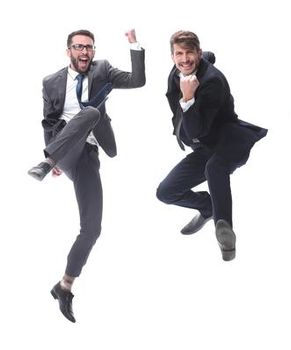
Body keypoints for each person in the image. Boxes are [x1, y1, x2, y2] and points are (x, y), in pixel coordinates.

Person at [29, 29, 145, 323]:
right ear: (68, 50)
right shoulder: (50, 82)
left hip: (89, 154)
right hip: (63, 151)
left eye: (89, 47)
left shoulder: (103, 69)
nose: (84, 52)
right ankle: (46, 162)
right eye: (79, 47)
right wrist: (52, 155)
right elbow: (49, 121)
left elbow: (137, 80)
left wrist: (134, 44)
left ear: (93, 51)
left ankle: (64, 286)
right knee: (91, 112)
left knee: (92, 227)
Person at [156, 30, 268, 261]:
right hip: (203, 145)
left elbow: (197, 128)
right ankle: (208, 207)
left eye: (190, 53)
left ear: (197, 52)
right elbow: (207, 56)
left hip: (230, 141)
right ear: (172, 55)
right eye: (179, 53)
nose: (184, 59)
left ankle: (224, 228)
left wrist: (188, 98)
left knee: (214, 169)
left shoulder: (213, 82)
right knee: (165, 192)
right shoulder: (177, 70)